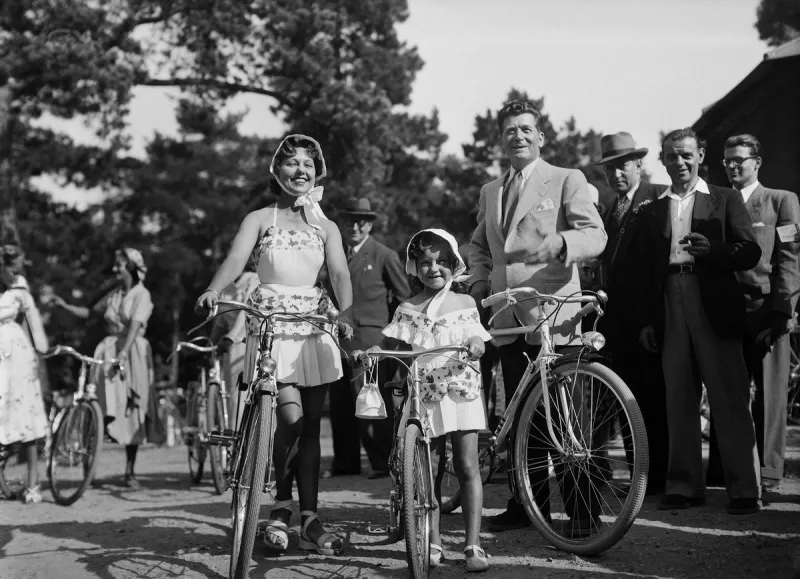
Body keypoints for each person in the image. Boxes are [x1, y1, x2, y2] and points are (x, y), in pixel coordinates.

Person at [195, 134, 353, 556]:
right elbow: (234, 259)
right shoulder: (259, 218)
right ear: (276, 171)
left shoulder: (327, 226)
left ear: (317, 174)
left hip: (314, 323)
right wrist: (214, 289)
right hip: (270, 324)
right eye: (292, 163)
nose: (301, 170)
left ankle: (311, 518)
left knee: (311, 427)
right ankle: (280, 508)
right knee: (289, 417)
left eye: (308, 164)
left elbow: (338, 273)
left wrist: (347, 312)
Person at [468, 99, 607, 532]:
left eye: (527, 129)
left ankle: (583, 514)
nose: (519, 136)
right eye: (511, 130)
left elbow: (594, 233)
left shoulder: (566, 179)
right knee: (521, 416)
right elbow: (477, 245)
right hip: (509, 318)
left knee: (568, 420)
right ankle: (529, 508)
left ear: (541, 137)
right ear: (502, 139)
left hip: (554, 319)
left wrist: (564, 244)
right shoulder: (491, 191)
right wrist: (478, 282)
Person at [632, 128, 761, 514]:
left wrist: (714, 251)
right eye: (672, 156)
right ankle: (684, 485)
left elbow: (750, 251)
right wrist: (648, 321)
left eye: (687, 154)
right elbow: (646, 274)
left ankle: (744, 488)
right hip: (670, 300)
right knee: (679, 396)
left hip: (712, 302)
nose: (680, 162)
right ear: (664, 160)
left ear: (701, 155)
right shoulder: (653, 209)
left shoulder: (725, 198)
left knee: (729, 395)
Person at [381, 229, 491, 572]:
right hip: (424, 397)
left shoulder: (465, 303)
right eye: (426, 262)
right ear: (414, 266)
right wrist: (372, 352)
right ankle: (432, 540)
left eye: (442, 261)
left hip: (462, 394)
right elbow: (396, 349)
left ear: (454, 263)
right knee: (428, 469)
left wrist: (476, 342)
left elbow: (477, 336)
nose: (434, 268)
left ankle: (473, 544)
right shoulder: (407, 308)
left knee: (467, 466)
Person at [706, 134, 800, 491]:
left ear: (757, 162)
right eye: (727, 160)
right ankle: (722, 469)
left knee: (770, 394)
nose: (732, 165)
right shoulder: (717, 202)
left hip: (765, 308)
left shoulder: (781, 201)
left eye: (739, 160)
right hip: (726, 310)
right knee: (726, 391)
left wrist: (783, 310)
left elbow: (790, 257)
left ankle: (770, 471)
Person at [592, 131, 669, 495]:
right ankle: (639, 477)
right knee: (625, 402)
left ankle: (655, 480)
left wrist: (649, 320)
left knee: (651, 399)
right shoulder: (610, 209)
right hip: (617, 323)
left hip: (647, 320)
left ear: (639, 163)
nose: (616, 174)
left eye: (623, 165)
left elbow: (657, 268)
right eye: (609, 169)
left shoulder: (659, 199)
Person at [51, 247, 160, 488]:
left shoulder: (142, 295)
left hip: (133, 351)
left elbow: (134, 325)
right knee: (98, 401)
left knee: (132, 406)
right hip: (109, 350)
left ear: (130, 267)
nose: (114, 269)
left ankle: (130, 471)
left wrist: (123, 353)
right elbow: (89, 312)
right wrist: (65, 305)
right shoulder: (114, 295)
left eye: (119, 265)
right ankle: (89, 467)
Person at [326, 197, 410, 479]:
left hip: (371, 339)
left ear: (371, 224)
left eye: (362, 221)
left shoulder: (383, 254)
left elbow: (404, 300)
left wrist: (392, 340)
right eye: (350, 220)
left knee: (371, 401)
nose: (355, 226)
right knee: (340, 405)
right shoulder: (334, 254)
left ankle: (381, 463)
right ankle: (345, 463)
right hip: (336, 338)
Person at [0, 261, 49, 503]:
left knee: (25, 414)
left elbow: (32, 319)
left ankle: (32, 481)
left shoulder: (17, 288)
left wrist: (40, 350)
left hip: (15, 353)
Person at [208, 268, 260, 430]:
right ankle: (235, 442)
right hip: (231, 346)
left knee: (245, 395)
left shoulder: (254, 279)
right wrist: (209, 345)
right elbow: (220, 323)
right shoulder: (227, 286)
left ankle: (249, 439)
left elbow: (247, 310)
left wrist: (231, 337)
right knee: (233, 396)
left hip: (250, 339)